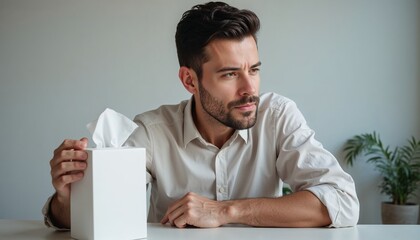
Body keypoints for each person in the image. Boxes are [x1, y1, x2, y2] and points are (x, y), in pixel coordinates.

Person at [43, 1, 359, 229]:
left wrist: (227, 211)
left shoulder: (277, 116)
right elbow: (102, 216)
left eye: (254, 69)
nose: (250, 89)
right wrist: (68, 201)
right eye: (230, 74)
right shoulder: (152, 133)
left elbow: (342, 201)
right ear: (189, 80)